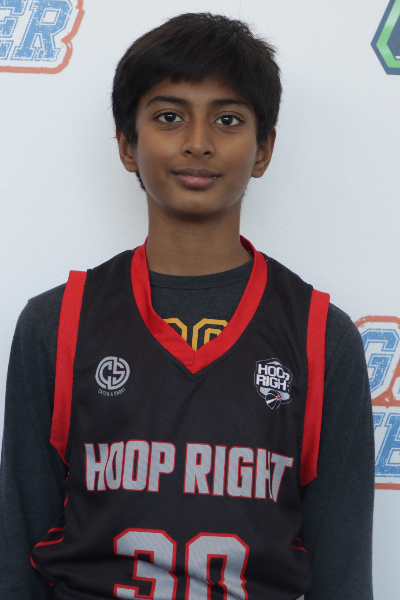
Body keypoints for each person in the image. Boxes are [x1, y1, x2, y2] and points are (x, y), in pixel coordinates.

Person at [0, 12, 374, 600]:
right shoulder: (57, 323)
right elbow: (16, 560)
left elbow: (344, 577)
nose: (198, 142)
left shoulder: (321, 337)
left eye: (228, 119)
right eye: (169, 116)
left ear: (263, 150)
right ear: (127, 144)